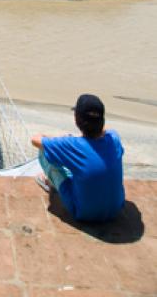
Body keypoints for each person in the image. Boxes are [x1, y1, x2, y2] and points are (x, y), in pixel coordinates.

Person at [31, 94, 125, 222]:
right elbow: (108, 131)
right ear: (102, 120)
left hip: (84, 213)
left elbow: (35, 140)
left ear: (76, 120)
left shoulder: (73, 145)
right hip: (116, 209)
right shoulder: (114, 139)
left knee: (45, 154)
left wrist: (53, 139)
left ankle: (50, 182)